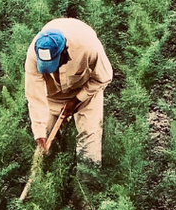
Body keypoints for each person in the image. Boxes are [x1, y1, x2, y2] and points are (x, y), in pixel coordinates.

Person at [24, 18, 113, 166]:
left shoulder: (88, 46)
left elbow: (103, 77)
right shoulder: (34, 55)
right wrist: (39, 132)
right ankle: (49, 174)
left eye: (54, 63)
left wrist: (77, 100)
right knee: (45, 139)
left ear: (65, 50)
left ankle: (87, 182)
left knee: (89, 138)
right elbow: (35, 96)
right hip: (53, 95)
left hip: (86, 89)